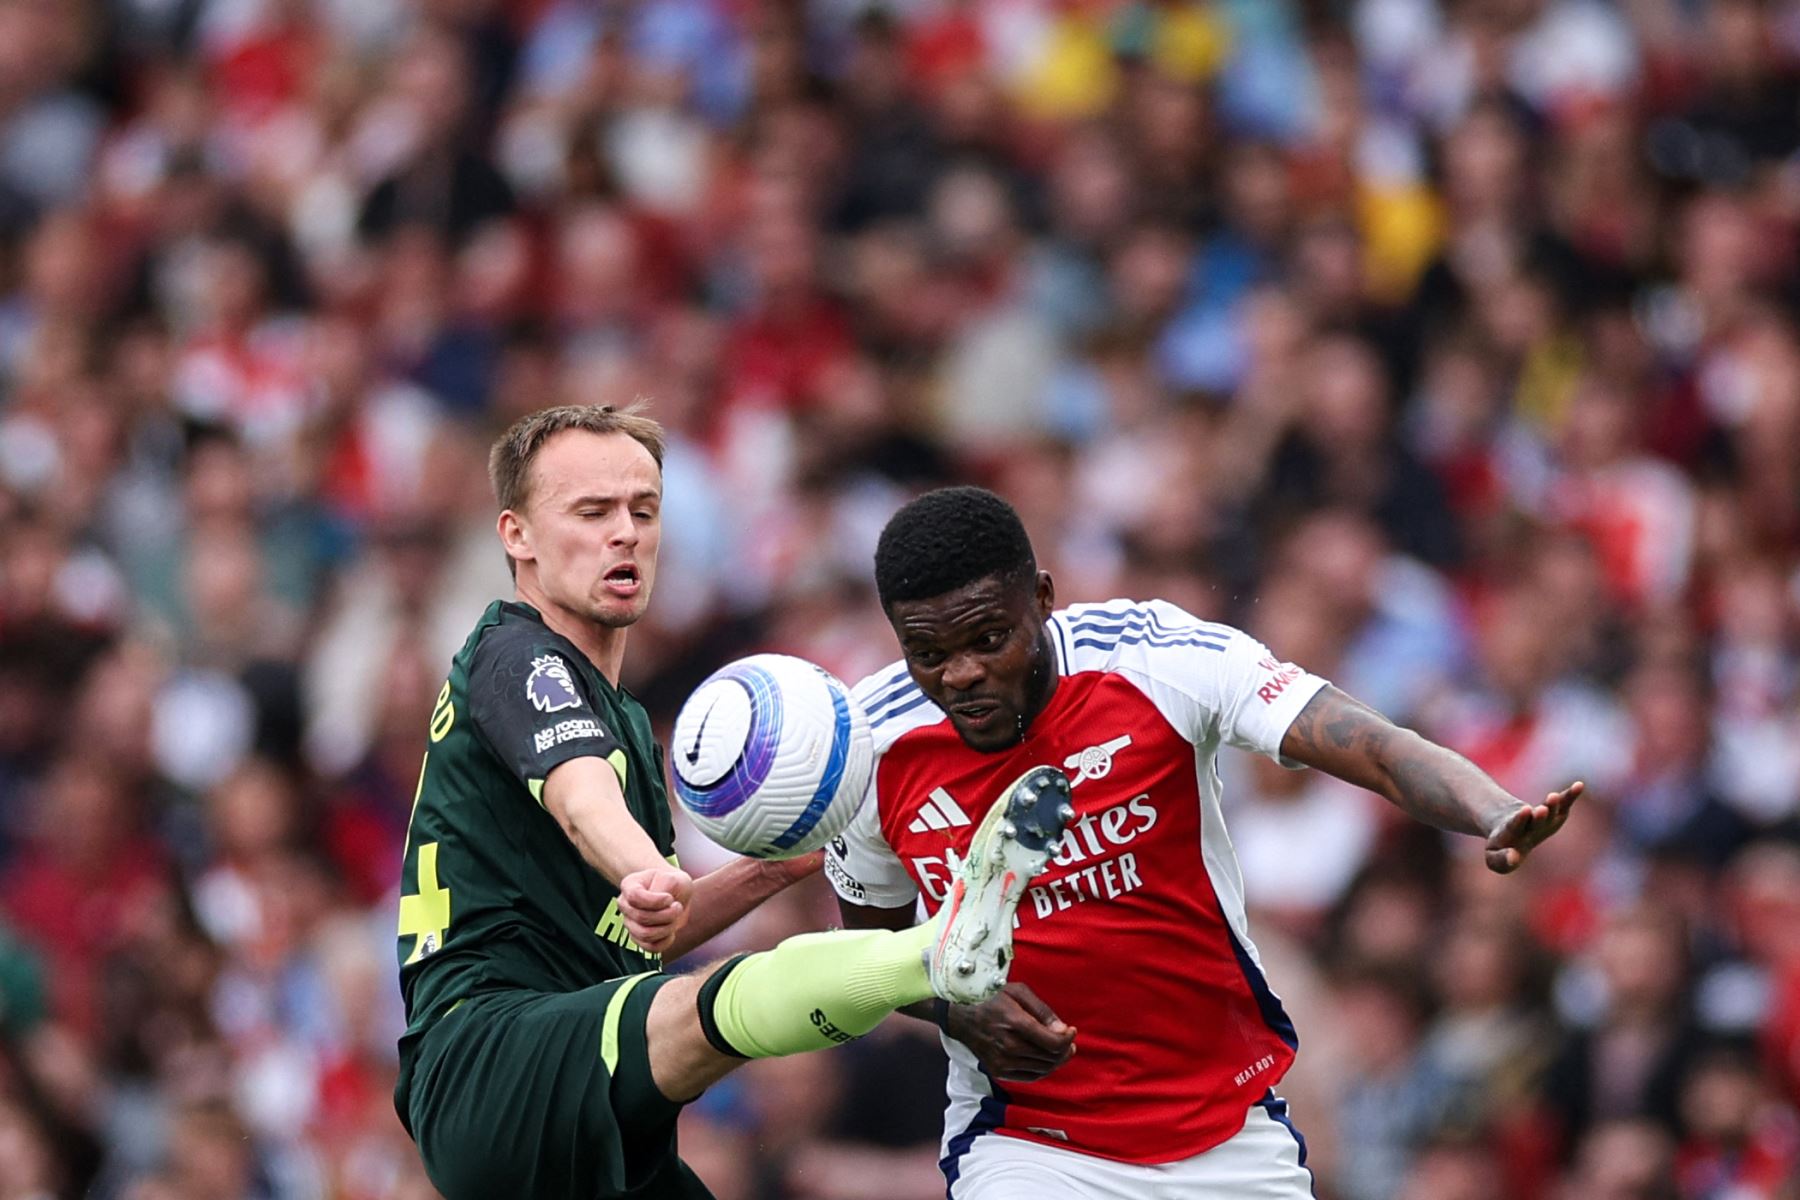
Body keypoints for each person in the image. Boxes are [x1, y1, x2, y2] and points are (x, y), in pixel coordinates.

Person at [828, 486, 1584, 1199]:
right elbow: (872, 955)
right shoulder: (869, 752)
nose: (961, 674)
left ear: (1044, 599)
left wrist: (1492, 809)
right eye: (927, 653)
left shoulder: (1154, 659)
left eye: (989, 639)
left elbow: (1377, 747)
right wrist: (955, 1010)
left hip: (1226, 1128)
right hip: (1028, 1139)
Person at [393, 409, 1073, 1200]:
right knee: (719, 999)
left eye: (643, 510)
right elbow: (581, 797)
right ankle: (934, 948)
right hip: (490, 1063)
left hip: (589, 1103)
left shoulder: (623, 719)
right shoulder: (517, 657)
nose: (626, 534)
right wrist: (645, 868)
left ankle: (927, 951)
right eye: (592, 511)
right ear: (518, 535)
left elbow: (643, 930)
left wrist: (772, 871)